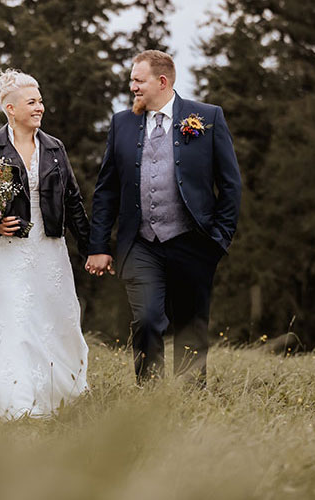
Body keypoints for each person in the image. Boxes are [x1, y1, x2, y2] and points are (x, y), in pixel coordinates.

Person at [86, 50, 241, 386]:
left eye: (137, 80)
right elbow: (107, 189)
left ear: (162, 81)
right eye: (131, 80)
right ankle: (149, 403)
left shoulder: (207, 116)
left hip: (193, 241)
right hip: (141, 242)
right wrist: (98, 245)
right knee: (147, 319)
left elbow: (230, 184)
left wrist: (219, 239)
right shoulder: (122, 123)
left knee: (190, 325)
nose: (132, 88)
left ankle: (190, 401)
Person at [0, 69, 91, 418]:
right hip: (4, 252)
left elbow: (73, 200)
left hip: (48, 248)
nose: (41, 107)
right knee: (13, 319)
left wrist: (92, 247)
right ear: (10, 108)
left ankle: (55, 392)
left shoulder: (54, 147)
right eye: (33, 102)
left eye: (41, 101)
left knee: (50, 319)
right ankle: (14, 398)